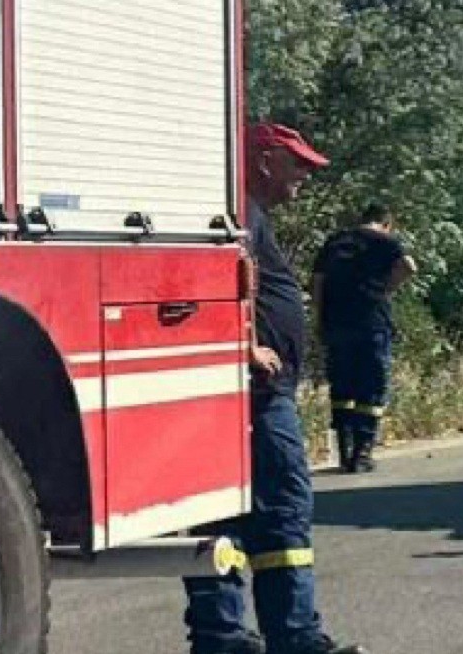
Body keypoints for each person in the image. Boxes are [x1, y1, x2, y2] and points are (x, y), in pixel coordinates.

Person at [182, 123, 366, 654]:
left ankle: (222, 638)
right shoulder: (241, 209)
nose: (305, 176)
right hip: (260, 396)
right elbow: (223, 275)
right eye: (298, 164)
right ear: (263, 159)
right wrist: (246, 347)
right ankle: (294, 639)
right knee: (283, 507)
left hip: (247, 395)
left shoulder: (242, 210)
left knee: (226, 519)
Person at [312, 203, 417, 473]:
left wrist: (319, 318)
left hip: (337, 323)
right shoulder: (386, 242)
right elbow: (409, 266)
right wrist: (386, 289)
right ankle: (363, 453)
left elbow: (318, 283)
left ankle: (344, 453)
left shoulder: (335, 242)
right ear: (387, 223)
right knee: (372, 386)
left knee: (342, 387)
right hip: (372, 321)